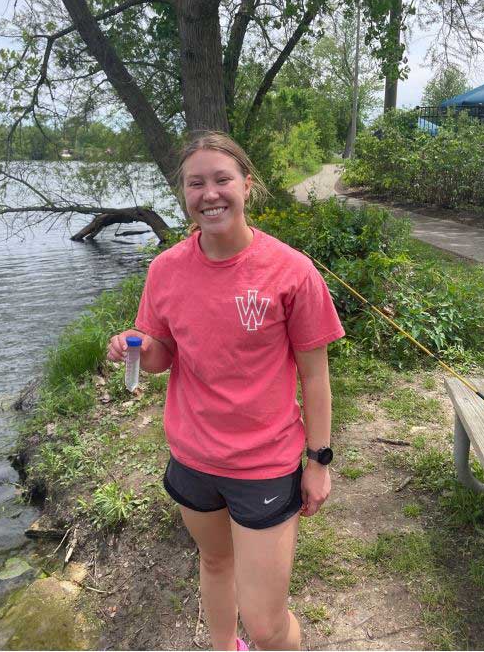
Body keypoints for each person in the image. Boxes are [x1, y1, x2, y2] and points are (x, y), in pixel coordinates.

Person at [107, 131, 345, 651]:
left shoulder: (291, 271)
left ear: (247, 185)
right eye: (196, 183)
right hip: (192, 458)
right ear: (183, 194)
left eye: (222, 179)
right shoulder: (165, 270)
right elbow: (163, 352)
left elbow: (316, 375)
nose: (209, 193)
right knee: (215, 561)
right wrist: (140, 353)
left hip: (264, 463)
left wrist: (319, 462)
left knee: (266, 625)